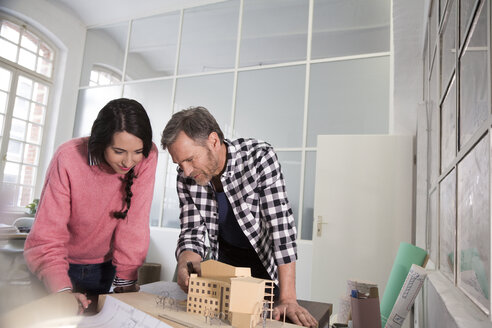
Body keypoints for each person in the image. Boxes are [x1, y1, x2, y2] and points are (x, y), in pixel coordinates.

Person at [161, 107, 318, 327]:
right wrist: (187, 261)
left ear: (213, 141)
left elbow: (281, 229)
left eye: (190, 159)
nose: (186, 171)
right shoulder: (185, 178)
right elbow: (192, 232)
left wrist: (289, 298)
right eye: (179, 164)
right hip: (223, 264)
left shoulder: (259, 157)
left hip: (263, 261)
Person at [24, 98, 158, 312]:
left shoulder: (147, 156)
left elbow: (134, 222)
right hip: (56, 265)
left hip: (102, 269)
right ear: (101, 142)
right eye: (119, 151)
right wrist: (61, 291)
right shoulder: (68, 157)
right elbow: (48, 234)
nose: (128, 161)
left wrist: (126, 281)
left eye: (137, 152)